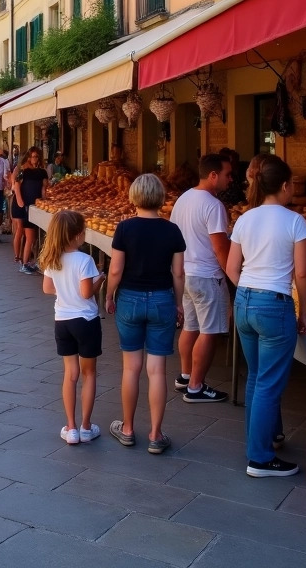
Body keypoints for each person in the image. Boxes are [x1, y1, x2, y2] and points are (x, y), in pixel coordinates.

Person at [225, 154, 306, 478]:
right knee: (269, 383)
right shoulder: (294, 221)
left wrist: (249, 290)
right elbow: (302, 273)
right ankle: (259, 458)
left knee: (256, 377)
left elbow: (233, 268)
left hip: (244, 300)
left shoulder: (245, 219)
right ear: (286, 186)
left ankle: (268, 437)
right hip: (275, 304)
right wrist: (303, 309)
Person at [104, 173, 186, 455]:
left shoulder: (124, 229)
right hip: (162, 298)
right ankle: (155, 433)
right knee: (157, 370)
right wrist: (178, 303)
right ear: (161, 198)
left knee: (131, 367)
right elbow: (178, 272)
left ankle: (127, 428)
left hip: (130, 299)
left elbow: (115, 269)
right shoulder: (172, 230)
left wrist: (109, 294)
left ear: (134, 196)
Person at [39, 210, 106, 445]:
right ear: (78, 235)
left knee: (70, 375)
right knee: (89, 374)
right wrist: (101, 278)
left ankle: (71, 427)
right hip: (86, 321)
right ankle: (87, 427)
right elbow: (87, 293)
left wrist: (64, 291)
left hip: (62, 321)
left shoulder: (52, 259)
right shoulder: (85, 260)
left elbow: (47, 288)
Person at [170, 153, 232, 403]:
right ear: (213, 175)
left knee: (190, 327)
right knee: (209, 331)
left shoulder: (183, 199)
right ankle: (196, 386)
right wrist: (233, 277)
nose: (230, 179)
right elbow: (220, 248)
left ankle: (185, 376)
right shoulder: (213, 205)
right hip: (208, 276)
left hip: (187, 274)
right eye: (227, 174)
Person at [12, 146, 49, 274]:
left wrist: (45, 201)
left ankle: (30, 262)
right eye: (33, 156)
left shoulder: (42, 172)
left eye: (37, 156)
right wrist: (21, 202)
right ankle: (25, 263)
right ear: (29, 157)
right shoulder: (23, 171)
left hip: (37, 207)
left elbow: (44, 189)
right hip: (27, 207)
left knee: (34, 237)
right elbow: (16, 186)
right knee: (30, 237)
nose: (35, 159)